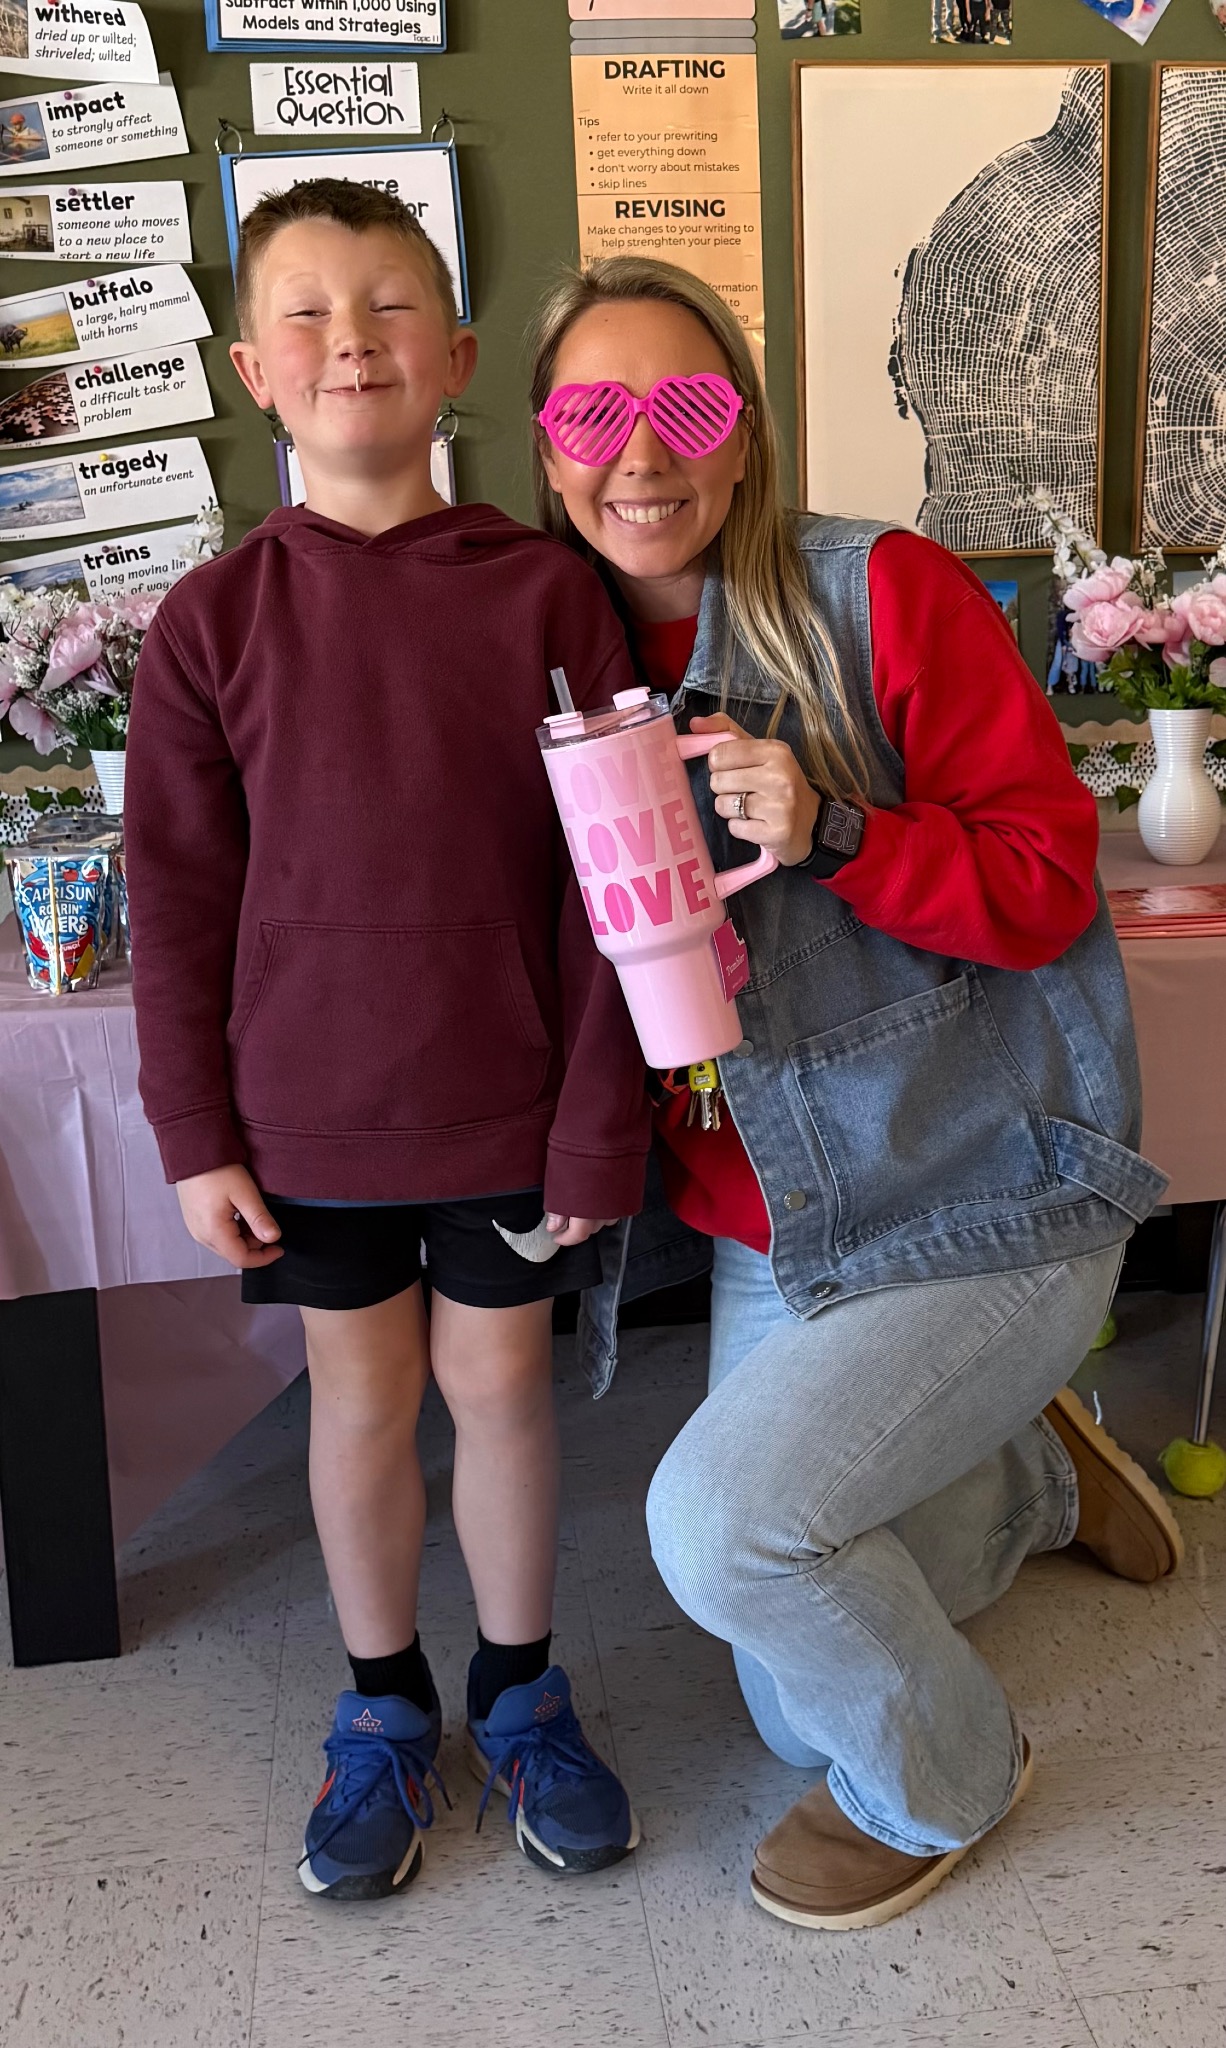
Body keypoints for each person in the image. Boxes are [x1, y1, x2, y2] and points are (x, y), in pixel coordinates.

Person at [528, 256, 1181, 1931]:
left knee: (724, 1537)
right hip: (778, 1227)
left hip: (980, 1190)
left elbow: (1044, 886)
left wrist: (834, 829)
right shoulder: (542, 654)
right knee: (785, 1689)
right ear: (543, 444)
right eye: (593, 413)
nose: (640, 454)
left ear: (744, 435)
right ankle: (1029, 1475)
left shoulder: (874, 591)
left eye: (686, 407)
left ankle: (949, 1782)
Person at [124, 182, 650, 1903]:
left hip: (509, 1105)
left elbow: (609, 890)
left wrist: (597, 1125)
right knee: (357, 1403)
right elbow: (178, 901)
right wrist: (196, 1134)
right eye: (305, 311)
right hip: (306, 1119)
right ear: (250, 371)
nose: (349, 340)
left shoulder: (549, 596)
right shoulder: (209, 622)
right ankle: (381, 1710)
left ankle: (521, 1694)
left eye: (388, 305)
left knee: (499, 1391)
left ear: (460, 358)